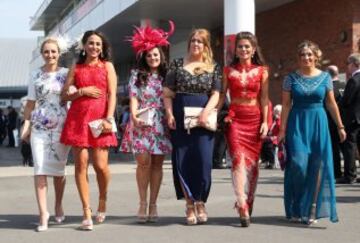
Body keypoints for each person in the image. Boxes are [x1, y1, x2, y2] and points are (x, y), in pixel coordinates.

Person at [278, 40, 346, 224]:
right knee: (298, 164)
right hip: (297, 123)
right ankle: (298, 205)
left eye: (309, 54)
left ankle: (312, 208)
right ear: (298, 58)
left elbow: (331, 103)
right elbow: (285, 105)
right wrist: (282, 130)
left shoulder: (325, 77)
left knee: (317, 167)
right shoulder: (290, 78)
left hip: (319, 122)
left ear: (316, 56)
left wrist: (340, 126)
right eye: (302, 55)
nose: (306, 58)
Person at [60, 30, 118, 230]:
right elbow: (64, 96)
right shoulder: (75, 67)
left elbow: (112, 95)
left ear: (102, 48)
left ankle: (102, 199)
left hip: (100, 120)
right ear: (84, 46)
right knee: (81, 165)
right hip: (78, 121)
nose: (95, 47)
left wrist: (108, 119)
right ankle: (86, 211)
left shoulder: (107, 66)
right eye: (91, 43)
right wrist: (81, 92)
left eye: (98, 44)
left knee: (101, 166)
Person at [163, 29, 221, 225]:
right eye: (193, 41)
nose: (196, 44)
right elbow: (168, 94)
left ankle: (201, 201)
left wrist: (206, 112)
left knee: (204, 162)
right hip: (180, 117)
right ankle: (189, 204)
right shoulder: (177, 65)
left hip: (204, 118)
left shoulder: (213, 67)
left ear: (206, 46)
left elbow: (216, 94)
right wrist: (170, 114)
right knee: (183, 160)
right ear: (189, 43)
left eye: (200, 42)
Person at [120, 22, 173, 223]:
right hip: (141, 121)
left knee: (157, 165)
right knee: (143, 164)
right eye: (149, 55)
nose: (153, 58)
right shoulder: (136, 75)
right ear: (144, 57)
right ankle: (142, 203)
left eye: (156, 55)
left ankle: (153, 204)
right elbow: (133, 97)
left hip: (160, 123)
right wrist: (133, 115)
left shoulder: (167, 75)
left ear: (161, 56)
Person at [218, 31, 269, 227]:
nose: (244, 49)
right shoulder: (227, 71)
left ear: (253, 49)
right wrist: (211, 113)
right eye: (240, 46)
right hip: (235, 119)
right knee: (238, 161)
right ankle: (241, 204)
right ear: (236, 50)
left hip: (255, 118)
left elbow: (264, 99)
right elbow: (222, 95)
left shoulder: (262, 70)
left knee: (253, 166)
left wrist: (265, 121)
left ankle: (250, 199)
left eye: (247, 46)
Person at [20, 38, 70, 232]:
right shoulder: (34, 75)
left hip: (62, 124)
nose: (50, 55)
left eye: (53, 51)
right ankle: (43, 213)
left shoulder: (66, 74)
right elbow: (30, 103)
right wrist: (26, 125)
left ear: (59, 53)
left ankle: (58, 204)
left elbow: (71, 99)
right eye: (46, 52)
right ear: (42, 54)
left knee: (59, 171)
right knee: (40, 168)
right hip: (40, 125)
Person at [337, 53, 360, 184]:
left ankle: (350, 175)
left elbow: (346, 100)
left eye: (348, 64)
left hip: (353, 119)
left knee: (350, 147)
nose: (347, 67)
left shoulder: (354, 80)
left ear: (354, 64)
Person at [326, 65, 346, 179]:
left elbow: (327, 106)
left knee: (334, 149)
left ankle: (337, 172)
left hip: (332, 122)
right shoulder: (345, 85)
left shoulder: (329, 88)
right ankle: (349, 172)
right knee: (347, 149)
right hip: (345, 122)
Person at [261, 104, 282, 169]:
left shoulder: (279, 120)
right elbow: (271, 129)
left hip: (277, 137)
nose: (274, 113)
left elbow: (280, 129)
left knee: (268, 145)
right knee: (262, 142)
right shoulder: (275, 120)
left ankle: (271, 161)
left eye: (276, 112)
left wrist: (274, 136)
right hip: (272, 136)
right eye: (275, 111)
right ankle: (266, 160)